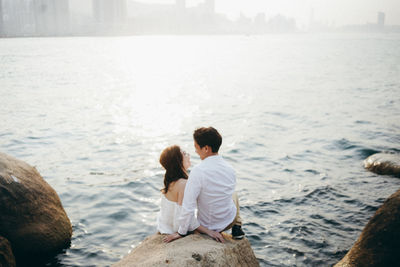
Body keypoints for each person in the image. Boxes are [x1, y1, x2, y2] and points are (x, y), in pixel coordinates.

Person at [163, 127, 245, 243]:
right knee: (233, 194)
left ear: (206, 148)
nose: (195, 151)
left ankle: (236, 224)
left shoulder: (198, 171)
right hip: (227, 222)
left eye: (196, 147)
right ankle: (237, 226)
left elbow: (188, 206)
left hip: (207, 226)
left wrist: (181, 232)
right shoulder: (230, 169)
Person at [157, 145, 221, 241]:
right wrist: (208, 232)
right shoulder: (183, 184)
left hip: (163, 227)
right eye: (184, 153)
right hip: (176, 229)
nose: (188, 155)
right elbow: (185, 219)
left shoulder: (170, 181)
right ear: (177, 161)